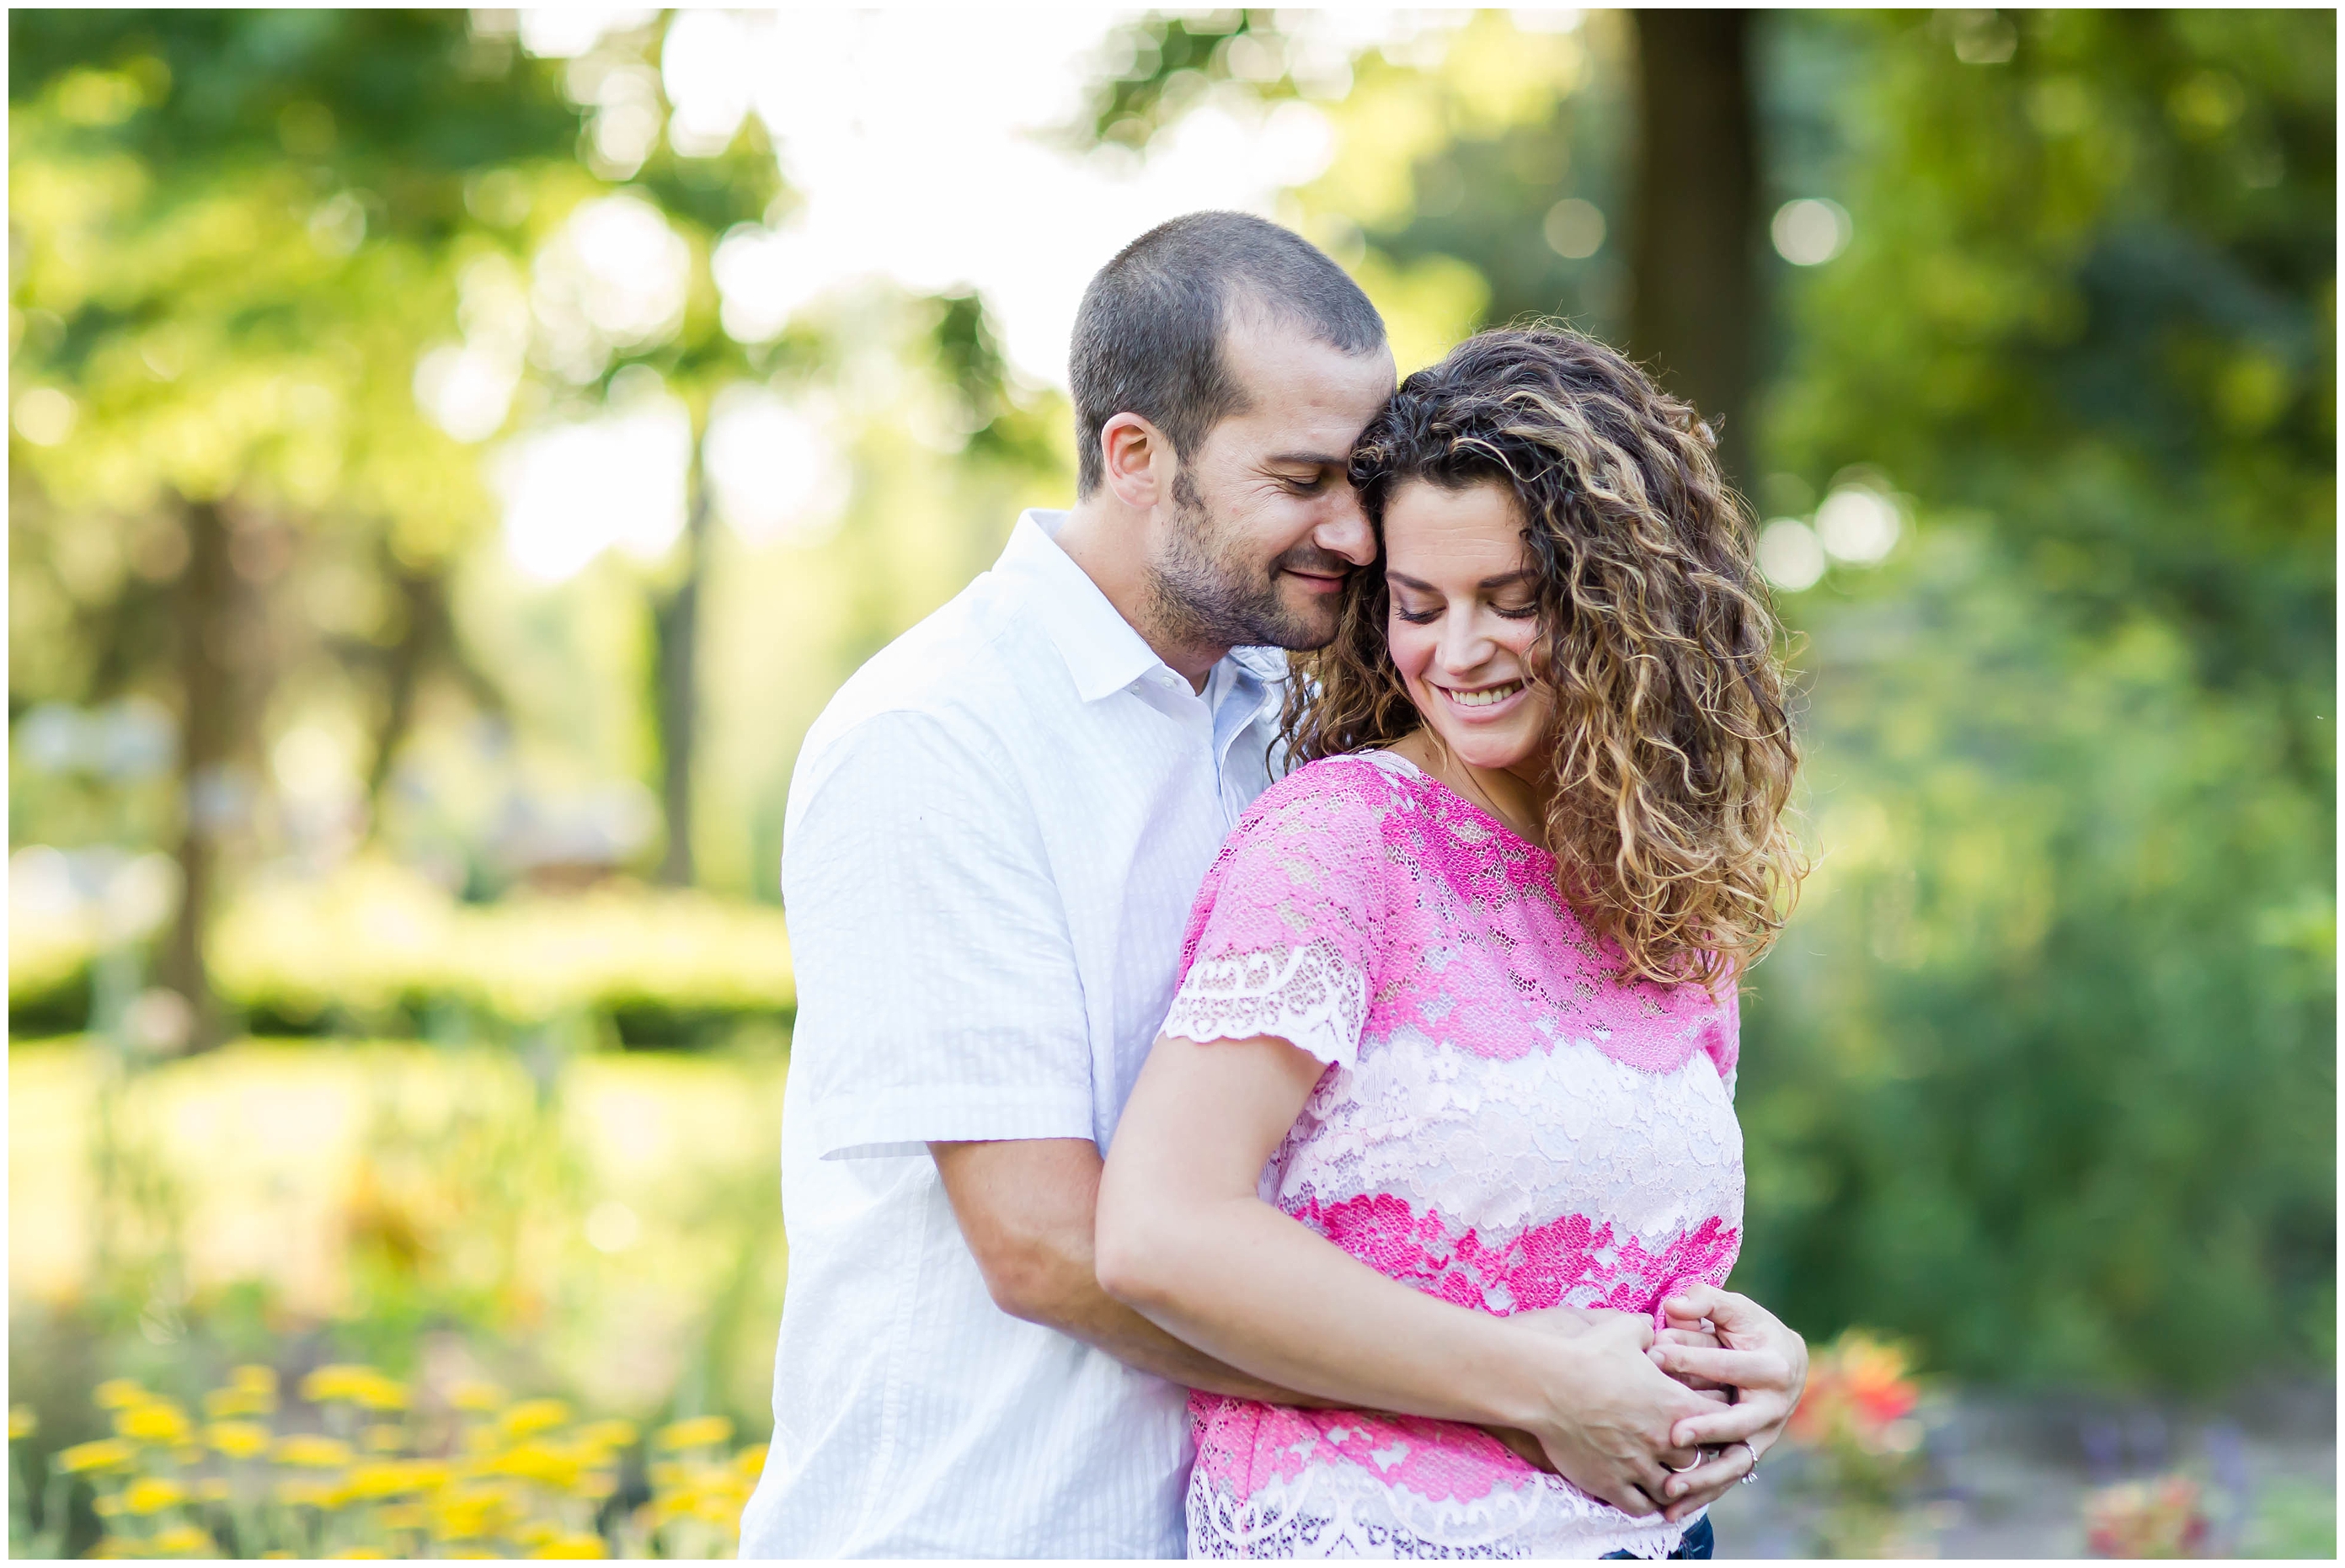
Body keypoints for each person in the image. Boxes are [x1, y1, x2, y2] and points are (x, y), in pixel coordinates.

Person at [737, 211, 1399, 1558]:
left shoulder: (1301, 721)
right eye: (1302, 476)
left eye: (1366, 479)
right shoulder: (937, 734)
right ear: (1137, 457)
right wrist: (1494, 1389)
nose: (1358, 531)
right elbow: (1046, 1245)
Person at [1095, 326, 1812, 1558]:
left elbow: (1606, 1249)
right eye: (1420, 606)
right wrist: (1545, 1389)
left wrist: (1751, 1359)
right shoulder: (1342, 842)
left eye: (1514, 602)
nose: (1458, 651)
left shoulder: (1667, 891)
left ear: (1627, 604)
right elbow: (1161, 1230)